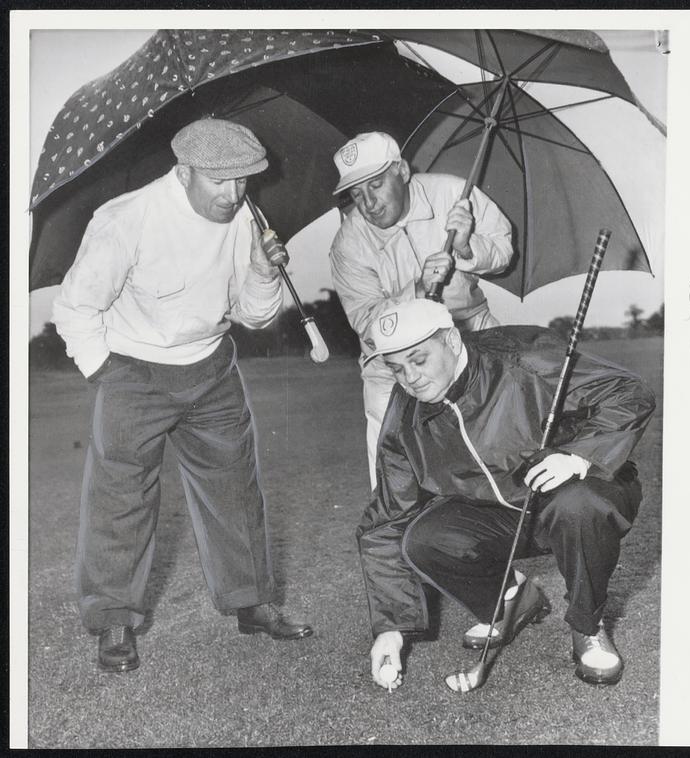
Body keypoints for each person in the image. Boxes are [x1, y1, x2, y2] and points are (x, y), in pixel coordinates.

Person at [52, 118, 313, 673]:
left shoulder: (246, 216)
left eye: (244, 180)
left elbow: (255, 315)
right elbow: (75, 309)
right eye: (220, 182)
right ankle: (114, 621)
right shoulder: (126, 219)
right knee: (120, 501)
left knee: (235, 491)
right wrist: (107, 374)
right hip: (133, 369)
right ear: (185, 171)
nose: (234, 194)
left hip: (213, 368)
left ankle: (252, 603)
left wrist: (263, 273)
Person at [355, 299, 656, 690]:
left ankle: (587, 625)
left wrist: (577, 455)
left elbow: (630, 391)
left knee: (579, 505)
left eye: (419, 360)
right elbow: (388, 518)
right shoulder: (405, 411)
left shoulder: (523, 357)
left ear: (449, 339)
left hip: (575, 492)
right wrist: (391, 628)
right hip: (500, 514)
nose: (410, 378)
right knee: (422, 539)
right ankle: (510, 599)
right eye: (397, 368)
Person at [328, 131, 513, 488]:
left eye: (376, 184)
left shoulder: (453, 194)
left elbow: (503, 250)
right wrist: (414, 290)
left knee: (505, 442)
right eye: (356, 193)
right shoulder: (347, 244)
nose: (368, 203)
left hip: (470, 332)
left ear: (401, 170)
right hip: (393, 362)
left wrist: (466, 246)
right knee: (394, 473)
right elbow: (367, 323)